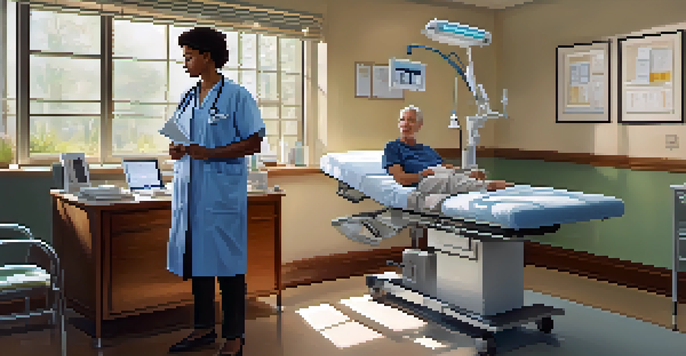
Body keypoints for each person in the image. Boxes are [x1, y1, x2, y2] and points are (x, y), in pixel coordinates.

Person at [164, 27, 265, 356]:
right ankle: (203, 329)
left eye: (189, 56)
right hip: (190, 194)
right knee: (198, 263)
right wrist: (176, 150)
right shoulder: (188, 96)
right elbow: (177, 135)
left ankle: (234, 336)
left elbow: (254, 141)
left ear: (207, 56)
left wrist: (212, 152)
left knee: (228, 265)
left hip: (220, 194)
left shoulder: (237, 95)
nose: (185, 63)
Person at [382, 105, 513, 212]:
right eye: (402, 119)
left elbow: (446, 168)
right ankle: (488, 186)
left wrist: (466, 172)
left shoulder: (427, 149)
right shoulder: (393, 147)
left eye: (410, 120)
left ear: (419, 125)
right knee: (446, 180)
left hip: (439, 173)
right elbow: (401, 178)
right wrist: (421, 175)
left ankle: (483, 184)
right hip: (423, 181)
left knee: (476, 173)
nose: (405, 123)